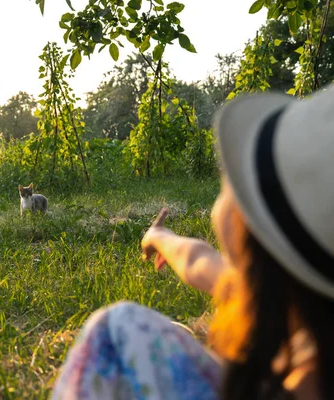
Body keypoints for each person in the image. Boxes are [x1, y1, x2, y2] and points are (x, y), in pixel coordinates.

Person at [51, 87, 334, 400]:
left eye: (232, 183)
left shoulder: (308, 384)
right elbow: (198, 259)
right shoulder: (286, 298)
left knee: (117, 326)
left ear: (253, 231)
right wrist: (158, 237)